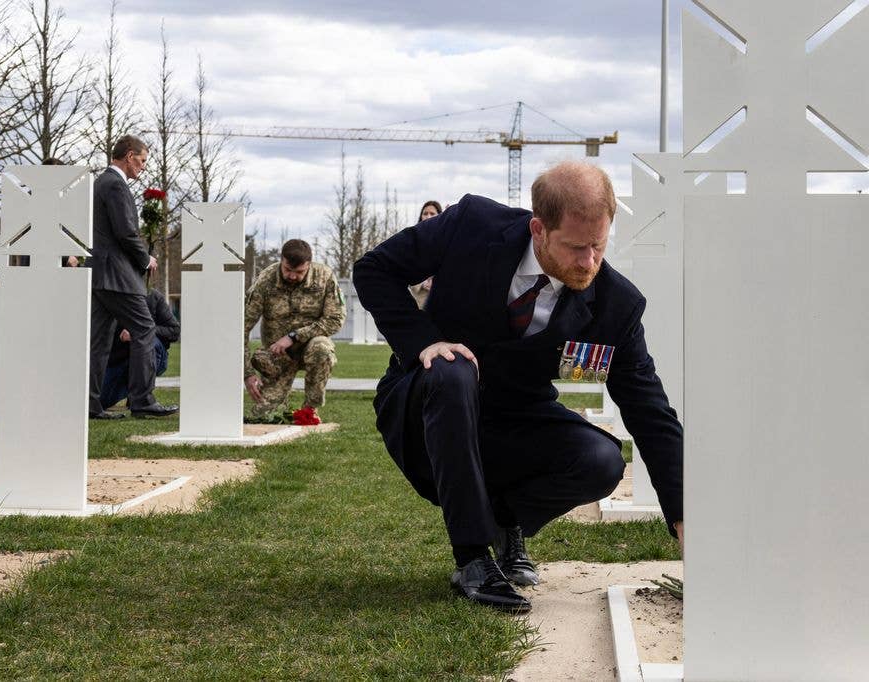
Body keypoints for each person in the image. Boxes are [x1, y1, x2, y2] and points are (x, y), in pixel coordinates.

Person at [352, 161, 683, 613]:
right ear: (538, 229)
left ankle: (507, 522)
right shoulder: (470, 226)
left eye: (599, 246)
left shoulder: (614, 307)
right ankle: (472, 560)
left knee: (602, 461)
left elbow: (650, 412)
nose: (589, 263)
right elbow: (374, 270)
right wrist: (423, 342)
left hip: (514, 421)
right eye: (575, 247)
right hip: (427, 405)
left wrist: (682, 514)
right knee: (453, 368)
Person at [88, 134, 177, 420]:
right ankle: (142, 400)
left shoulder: (100, 182)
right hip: (117, 275)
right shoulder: (115, 184)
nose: (142, 166)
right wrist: (145, 258)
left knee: (99, 342)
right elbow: (125, 231)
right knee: (144, 330)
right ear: (128, 156)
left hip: (100, 275)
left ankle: (90, 404)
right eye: (141, 160)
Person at [243, 239, 346, 421]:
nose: (292, 276)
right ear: (281, 260)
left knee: (322, 348)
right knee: (264, 417)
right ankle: (278, 402)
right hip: (278, 357)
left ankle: (309, 409)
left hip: (311, 348)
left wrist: (294, 336)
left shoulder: (324, 277)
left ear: (309, 265)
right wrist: (248, 374)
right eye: (288, 270)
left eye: (299, 272)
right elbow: (242, 327)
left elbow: (335, 319)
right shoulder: (265, 281)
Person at [100, 288, 179, 410]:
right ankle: (136, 394)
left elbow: (174, 331)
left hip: (152, 355)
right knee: (100, 401)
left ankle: (141, 398)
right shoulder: (110, 297)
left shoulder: (154, 297)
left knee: (150, 341)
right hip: (119, 361)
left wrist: (139, 332)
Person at [408, 200, 443, 309]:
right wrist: (422, 283)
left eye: (432, 214)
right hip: (421, 301)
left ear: (439, 216)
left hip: (442, 300)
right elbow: (408, 269)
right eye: (425, 213)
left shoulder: (446, 241)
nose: (428, 216)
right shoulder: (414, 242)